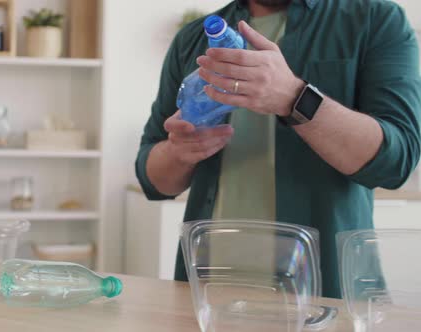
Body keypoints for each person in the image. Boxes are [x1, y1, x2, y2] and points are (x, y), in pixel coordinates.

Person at [136, 0, 421, 298]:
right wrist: (177, 153)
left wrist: (295, 98)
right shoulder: (192, 38)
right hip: (207, 295)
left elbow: (396, 160)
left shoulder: (376, 20)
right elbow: (153, 180)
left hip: (326, 298)